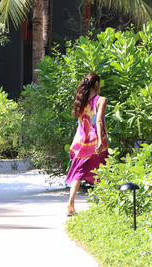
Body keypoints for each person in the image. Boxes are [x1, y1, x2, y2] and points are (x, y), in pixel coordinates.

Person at [66, 72, 108, 216]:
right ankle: (105, 203)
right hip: (95, 140)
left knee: (79, 171)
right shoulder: (100, 100)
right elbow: (99, 121)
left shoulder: (80, 101)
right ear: (96, 84)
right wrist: (101, 141)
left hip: (81, 140)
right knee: (101, 169)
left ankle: (71, 204)